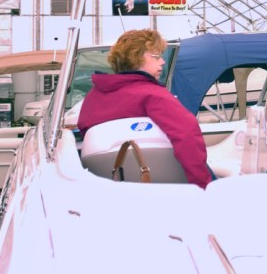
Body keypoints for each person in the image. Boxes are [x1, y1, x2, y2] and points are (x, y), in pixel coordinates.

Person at [77, 29, 213, 189]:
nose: (162, 62)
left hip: (109, 187)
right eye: (157, 56)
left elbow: (84, 132)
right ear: (136, 57)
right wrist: (204, 187)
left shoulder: (93, 97)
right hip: (165, 185)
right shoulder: (153, 94)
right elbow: (187, 133)